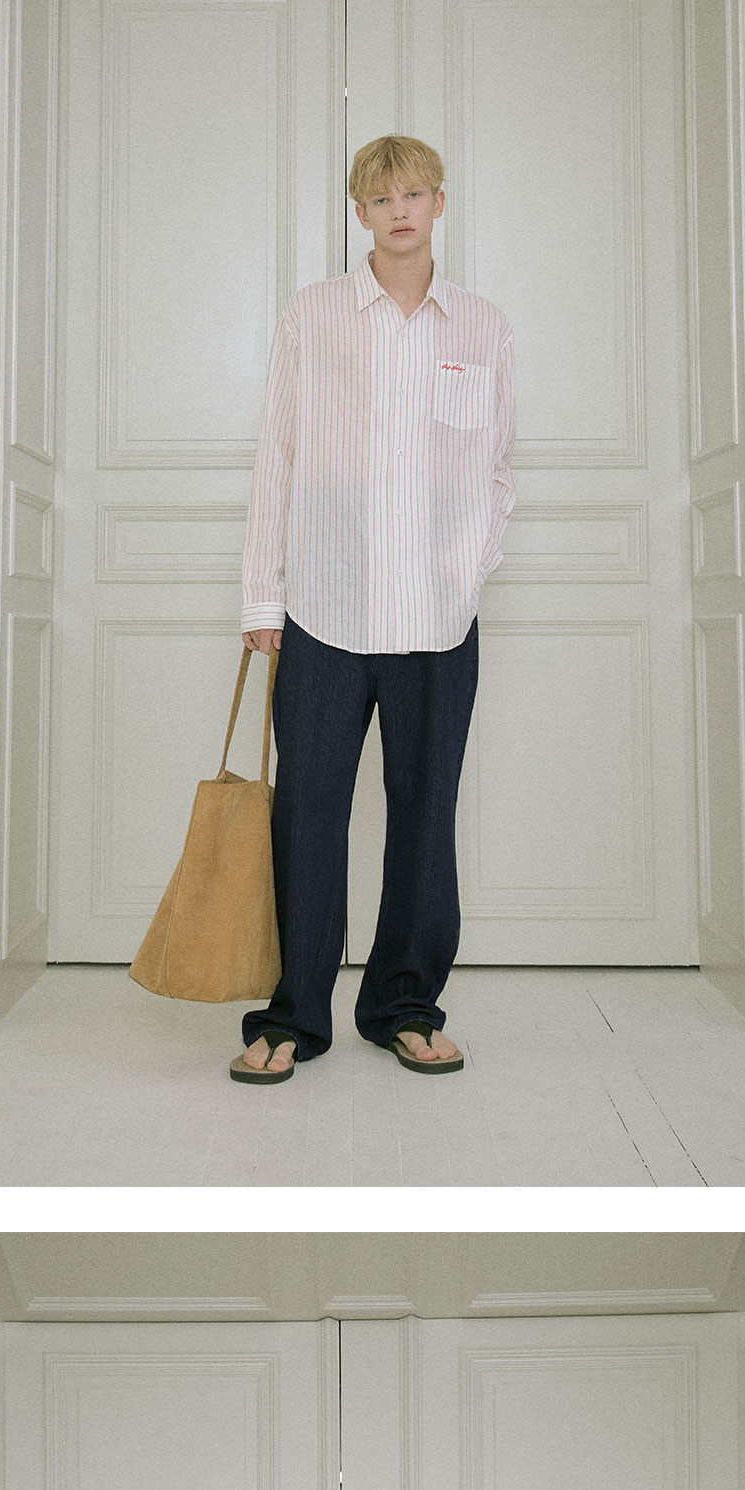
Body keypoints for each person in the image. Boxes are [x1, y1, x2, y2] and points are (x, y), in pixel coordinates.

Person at [230, 122, 515, 1087]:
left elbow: (497, 470)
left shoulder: (482, 327)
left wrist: (466, 573)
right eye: (381, 198)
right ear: (361, 213)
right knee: (306, 815)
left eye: (414, 194)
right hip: (324, 609)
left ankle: (405, 1007)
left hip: (438, 620)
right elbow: (278, 454)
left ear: (440, 202)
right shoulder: (313, 315)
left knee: (425, 820)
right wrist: (263, 596)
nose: (400, 211)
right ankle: (292, 1014)